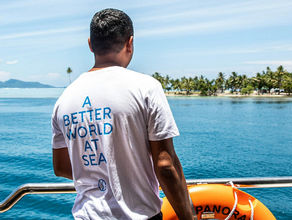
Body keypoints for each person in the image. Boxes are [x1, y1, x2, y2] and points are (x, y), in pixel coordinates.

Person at [51, 8, 193, 220]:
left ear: (90, 44)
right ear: (130, 42)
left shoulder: (64, 100)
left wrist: (104, 173)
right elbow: (165, 165)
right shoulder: (146, 88)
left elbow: (61, 167)